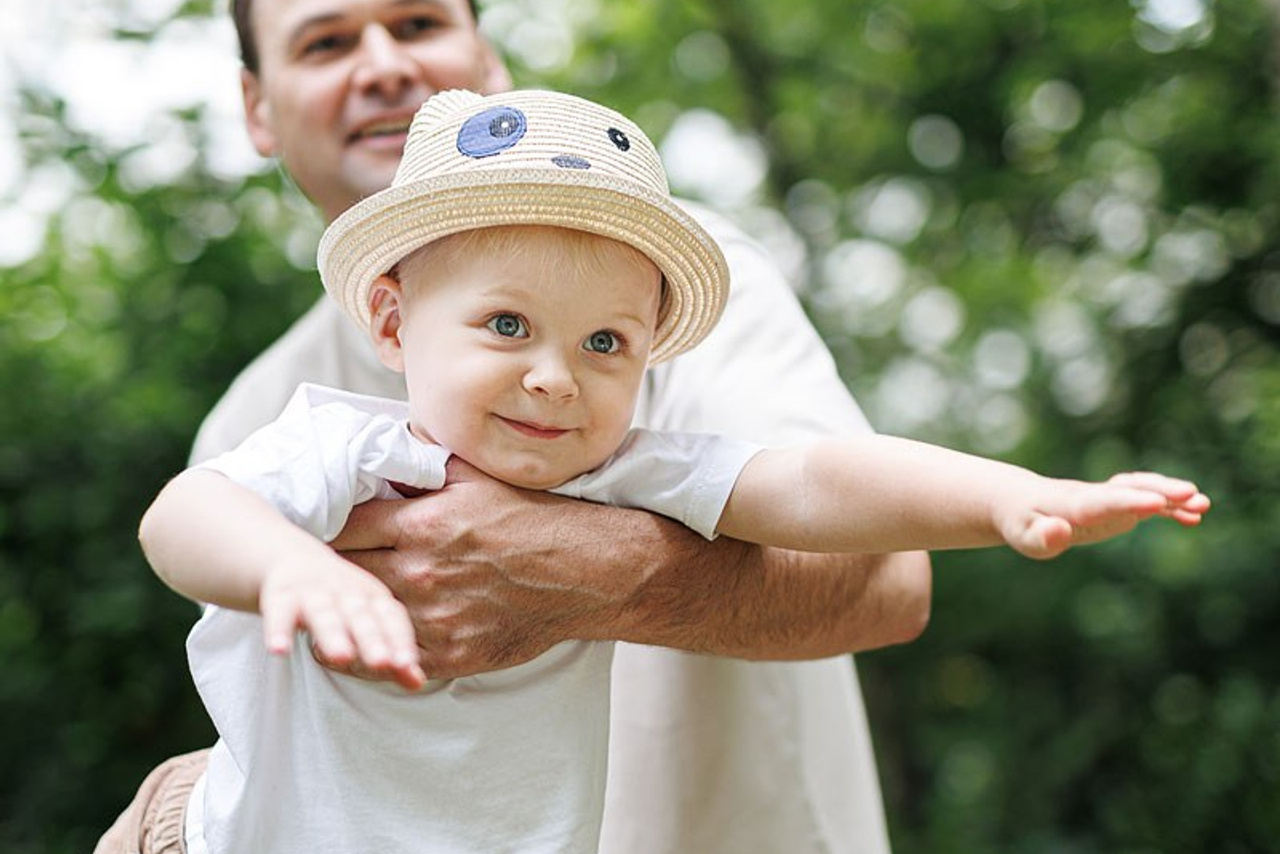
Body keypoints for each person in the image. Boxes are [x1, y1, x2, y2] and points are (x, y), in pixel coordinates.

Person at [133, 88, 1206, 854]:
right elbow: (184, 515)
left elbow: (816, 483)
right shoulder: (352, 447)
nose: (554, 377)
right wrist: (286, 564)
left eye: (605, 342)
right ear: (390, 322)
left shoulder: (625, 472)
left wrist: (1009, 494)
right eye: (506, 324)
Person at [100, 2, 934, 852]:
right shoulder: (257, 420)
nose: (383, 65)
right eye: (327, 41)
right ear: (257, 108)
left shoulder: (660, 282)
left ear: (488, 62)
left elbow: (893, 582)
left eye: (418, 24)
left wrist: (581, 570)